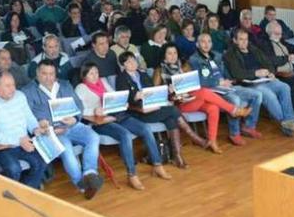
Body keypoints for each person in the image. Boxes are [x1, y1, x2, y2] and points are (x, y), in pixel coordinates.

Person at [75, 62, 171, 190]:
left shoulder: (102, 82)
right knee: (124, 134)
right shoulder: (81, 88)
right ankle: (132, 174)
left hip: (117, 115)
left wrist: (122, 103)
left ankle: (157, 165)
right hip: (100, 122)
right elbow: (79, 110)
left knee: (146, 129)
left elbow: (116, 96)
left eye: (96, 72)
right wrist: (94, 111)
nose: (95, 76)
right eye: (91, 73)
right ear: (84, 75)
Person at [21, 61, 104, 199]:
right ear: (37, 73)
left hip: (72, 125)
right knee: (66, 149)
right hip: (51, 132)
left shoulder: (65, 85)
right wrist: (41, 124)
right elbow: (27, 115)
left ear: (56, 73)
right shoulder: (27, 91)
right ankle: (81, 185)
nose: (48, 77)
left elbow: (78, 105)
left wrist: (75, 118)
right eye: (44, 73)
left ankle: (89, 173)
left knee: (94, 137)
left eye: (51, 73)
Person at [114, 51, 206, 168]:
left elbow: (153, 90)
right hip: (138, 112)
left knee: (171, 120)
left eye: (133, 60)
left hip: (153, 106)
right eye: (128, 62)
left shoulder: (143, 74)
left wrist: (167, 91)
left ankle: (177, 156)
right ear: (124, 65)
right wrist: (135, 96)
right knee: (172, 110)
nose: (132, 63)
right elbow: (124, 100)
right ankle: (194, 138)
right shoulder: (121, 79)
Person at [154, 43, 250, 154]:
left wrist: (188, 90)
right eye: (169, 53)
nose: (173, 56)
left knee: (213, 107)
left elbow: (194, 84)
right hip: (176, 106)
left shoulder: (184, 66)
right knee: (204, 92)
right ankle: (233, 110)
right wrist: (168, 90)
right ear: (164, 56)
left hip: (191, 99)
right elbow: (157, 95)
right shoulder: (159, 70)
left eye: (175, 53)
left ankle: (212, 141)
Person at [224, 28, 294, 136]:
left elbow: (268, 62)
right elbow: (237, 73)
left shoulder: (253, 49)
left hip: (264, 79)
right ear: (235, 40)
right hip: (249, 84)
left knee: (284, 87)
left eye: (246, 39)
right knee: (268, 95)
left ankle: (289, 121)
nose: (244, 42)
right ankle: (286, 123)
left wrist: (270, 72)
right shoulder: (230, 54)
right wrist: (256, 73)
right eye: (241, 40)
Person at [189, 32, 263, 144]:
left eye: (209, 41)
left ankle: (249, 126)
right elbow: (200, 81)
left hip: (226, 86)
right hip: (212, 91)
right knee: (235, 100)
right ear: (197, 44)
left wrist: (230, 80)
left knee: (257, 95)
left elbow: (225, 72)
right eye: (203, 41)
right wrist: (219, 82)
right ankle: (235, 133)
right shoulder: (194, 60)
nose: (206, 44)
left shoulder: (217, 55)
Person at [0, 72, 48, 188]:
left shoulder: (20, 96)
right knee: (14, 168)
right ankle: (12, 194)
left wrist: (35, 128)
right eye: (7, 86)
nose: (12, 89)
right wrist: (19, 141)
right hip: (3, 147)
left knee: (42, 160)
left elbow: (29, 117)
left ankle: (27, 192)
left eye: (13, 85)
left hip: (24, 142)